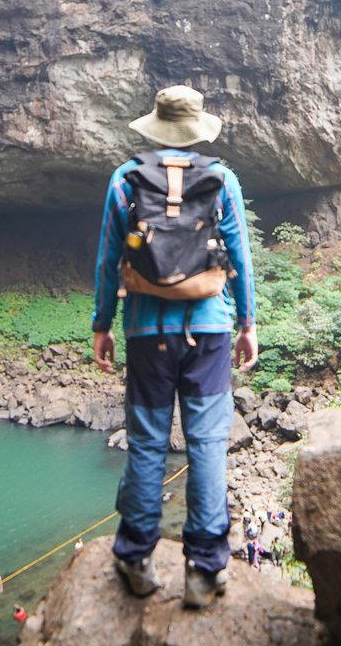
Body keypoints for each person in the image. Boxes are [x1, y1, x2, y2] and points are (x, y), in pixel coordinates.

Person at [91, 86, 258, 610]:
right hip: (208, 333)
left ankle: (137, 558)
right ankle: (204, 571)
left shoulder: (125, 180)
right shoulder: (221, 180)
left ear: (156, 126)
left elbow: (106, 260)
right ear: (197, 128)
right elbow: (240, 259)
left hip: (146, 333)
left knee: (146, 442)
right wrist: (247, 322)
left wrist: (102, 324)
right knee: (207, 443)